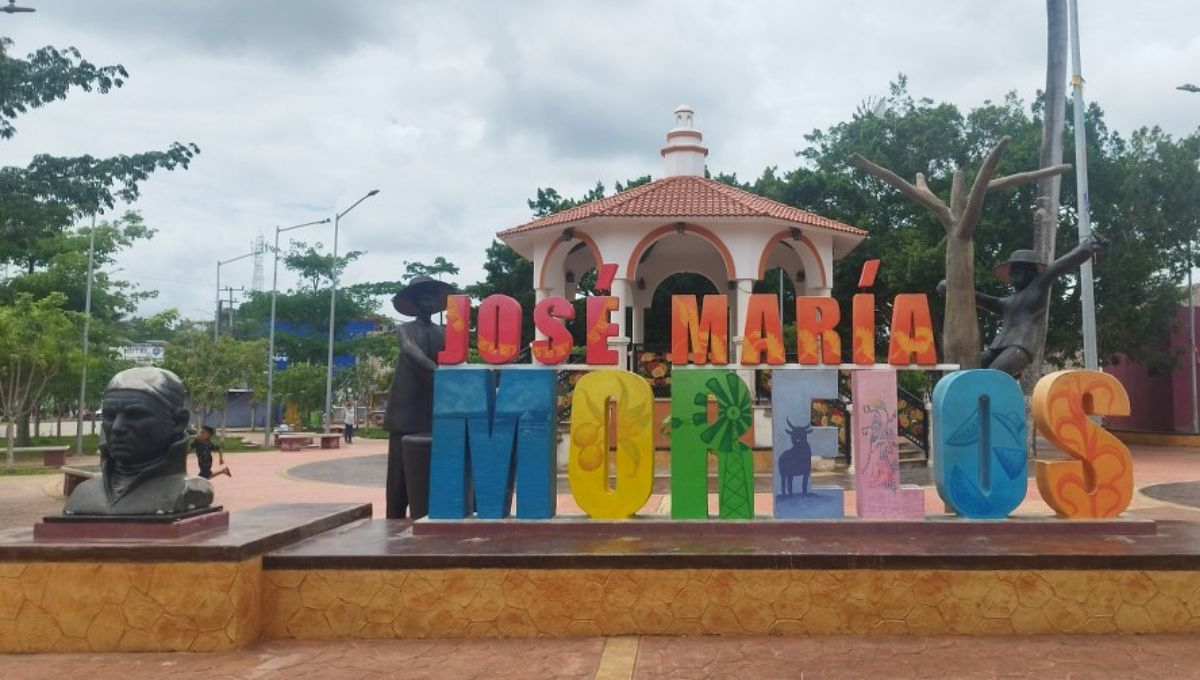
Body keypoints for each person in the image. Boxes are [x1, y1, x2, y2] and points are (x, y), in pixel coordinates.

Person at [938, 237, 1103, 376]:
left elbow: (1058, 266)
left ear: (1031, 273)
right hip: (997, 347)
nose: (1012, 275)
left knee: (992, 376)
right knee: (966, 370)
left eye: (1017, 271)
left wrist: (1085, 249)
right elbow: (980, 298)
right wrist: (952, 288)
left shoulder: (1038, 289)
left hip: (1020, 348)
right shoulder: (1007, 302)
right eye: (1012, 271)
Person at [64, 366, 215, 516]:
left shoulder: (189, 491)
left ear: (178, 422)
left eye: (135, 415)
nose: (116, 427)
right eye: (109, 415)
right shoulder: (83, 493)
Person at [383, 275, 454, 519]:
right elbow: (412, 354)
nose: (428, 301)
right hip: (406, 409)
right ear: (414, 303)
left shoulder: (444, 333)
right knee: (398, 474)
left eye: (432, 297)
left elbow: (454, 361)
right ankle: (393, 517)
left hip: (434, 408)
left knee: (429, 467)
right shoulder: (405, 330)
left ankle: (426, 513)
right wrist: (441, 376)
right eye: (423, 297)